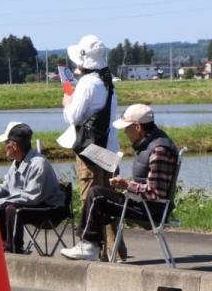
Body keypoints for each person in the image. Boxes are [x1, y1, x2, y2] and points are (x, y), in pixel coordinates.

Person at [60, 104, 178, 261]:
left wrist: (127, 185)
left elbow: (156, 193)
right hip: (145, 204)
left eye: (127, 128)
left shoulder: (159, 150)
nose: (125, 132)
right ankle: (94, 247)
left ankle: (90, 246)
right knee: (99, 196)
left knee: (97, 195)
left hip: (151, 210)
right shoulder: (152, 144)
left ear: (137, 127)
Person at [62, 34, 124, 260]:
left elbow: (73, 117)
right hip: (110, 148)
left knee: (90, 196)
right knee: (109, 197)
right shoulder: (108, 82)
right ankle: (115, 251)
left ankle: (92, 247)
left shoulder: (87, 84)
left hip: (90, 150)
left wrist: (67, 102)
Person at [0, 122, 62, 253]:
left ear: (15, 146)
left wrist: (2, 202)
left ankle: (15, 248)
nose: (4, 147)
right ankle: (3, 245)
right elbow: (7, 188)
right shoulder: (16, 162)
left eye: (6, 143)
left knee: (12, 208)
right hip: (34, 204)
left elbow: (31, 197)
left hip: (50, 208)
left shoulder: (38, 164)